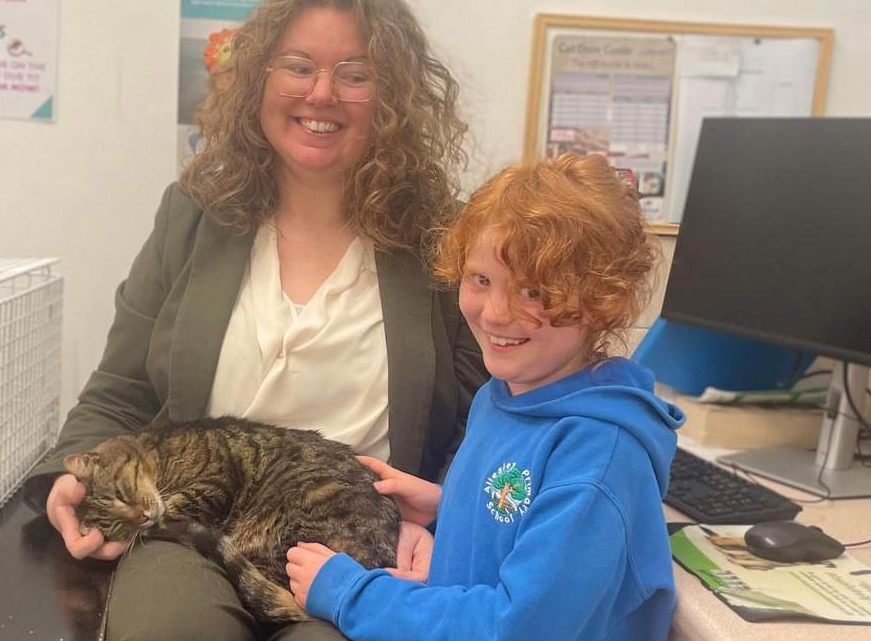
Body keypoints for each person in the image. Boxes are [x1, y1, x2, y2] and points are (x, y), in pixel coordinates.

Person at [21, 0, 488, 639]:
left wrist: (447, 519)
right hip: (190, 530)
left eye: (355, 74)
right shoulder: (193, 213)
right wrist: (72, 476)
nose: (322, 94)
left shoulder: (443, 236)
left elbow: (491, 417)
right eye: (298, 66)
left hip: (359, 549)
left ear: (395, 97)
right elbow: (119, 389)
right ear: (259, 79)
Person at [287, 153, 687, 641]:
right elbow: (521, 518)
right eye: (481, 280)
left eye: (533, 292)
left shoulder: (599, 457)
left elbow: (518, 628)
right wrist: (451, 505)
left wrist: (352, 594)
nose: (495, 314)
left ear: (602, 299)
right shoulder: (503, 397)